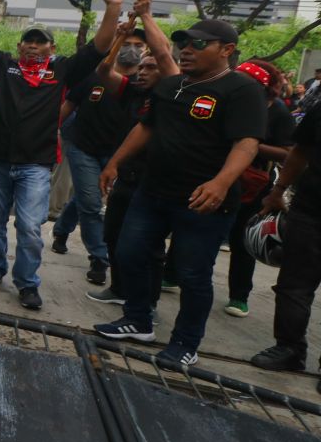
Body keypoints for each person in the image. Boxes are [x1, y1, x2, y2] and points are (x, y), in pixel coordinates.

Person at [96, 19, 266, 366]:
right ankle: (138, 319)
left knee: (192, 274)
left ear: (227, 50)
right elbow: (146, 128)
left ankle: (186, 343)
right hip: (153, 191)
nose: (187, 50)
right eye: (184, 44)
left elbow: (247, 144)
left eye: (199, 44)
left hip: (203, 202)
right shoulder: (171, 86)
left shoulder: (241, 90)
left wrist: (220, 183)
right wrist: (114, 162)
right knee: (129, 254)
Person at [0, 0, 126, 310]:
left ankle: (27, 283)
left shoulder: (63, 71)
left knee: (30, 228)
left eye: (41, 42)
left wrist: (113, 8)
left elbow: (100, 47)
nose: (34, 46)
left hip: (35, 165)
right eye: (29, 41)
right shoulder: (4, 66)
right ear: (21, 45)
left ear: (52, 48)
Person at [87, 0, 179, 306]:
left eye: (150, 67)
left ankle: (146, 305)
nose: (143, 72)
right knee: (113, 235)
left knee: (146, 245)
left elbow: (165, 55)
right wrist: (119, 38)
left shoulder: (173, 92)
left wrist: (147, 16)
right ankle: (119, 288)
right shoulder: (133, 91)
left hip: (154, 181)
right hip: (126, 175)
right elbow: (103, 71)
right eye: (140, 67)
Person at [50, 25, 148, 283]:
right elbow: (67, 107)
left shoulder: (146, 84)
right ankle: (99, 258)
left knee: (85, 197)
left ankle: (61, 229)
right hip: (83, 148)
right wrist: (47, 132)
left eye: (139, 46)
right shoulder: (94, 76)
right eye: (126, 43)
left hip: (120, 156)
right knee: (92, 204)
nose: (132, 50)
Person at [250, 100, 321, 390]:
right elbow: (300, 151)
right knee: (294, 286)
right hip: (311, 211)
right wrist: (277, 191)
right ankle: (290, 349)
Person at [221, 60, 294, 318]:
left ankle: (239, 296)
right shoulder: (224, 102)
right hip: (215, 175)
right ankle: (172, 275)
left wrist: (248, 142)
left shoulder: (279, 113)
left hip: (252, 183)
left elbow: (288, 153)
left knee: (242, 240)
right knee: (197, 228)